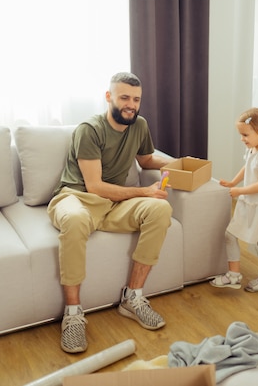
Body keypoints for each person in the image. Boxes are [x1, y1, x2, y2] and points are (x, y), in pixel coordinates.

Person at [47, 72, 174, 353]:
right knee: (77, 219)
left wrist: (178, 163)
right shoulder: (89, 130)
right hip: (76, 198)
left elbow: (146, 159)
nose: (131, 104)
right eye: (124, 97)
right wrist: (144, 191)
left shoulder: (139, 125)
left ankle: (133, 297)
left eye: (136, 99)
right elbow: (94, 187)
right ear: (109, 97)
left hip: (113, 204)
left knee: (160, 208)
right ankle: (73, 314)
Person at [210, 108, 258, 292]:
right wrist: (233, 181)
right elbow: (247, 167)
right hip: (248, 203)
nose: (242, 139)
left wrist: (239, 190)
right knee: (230, 235)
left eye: (245, 135)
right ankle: (234, 275)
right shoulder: (253, 149)